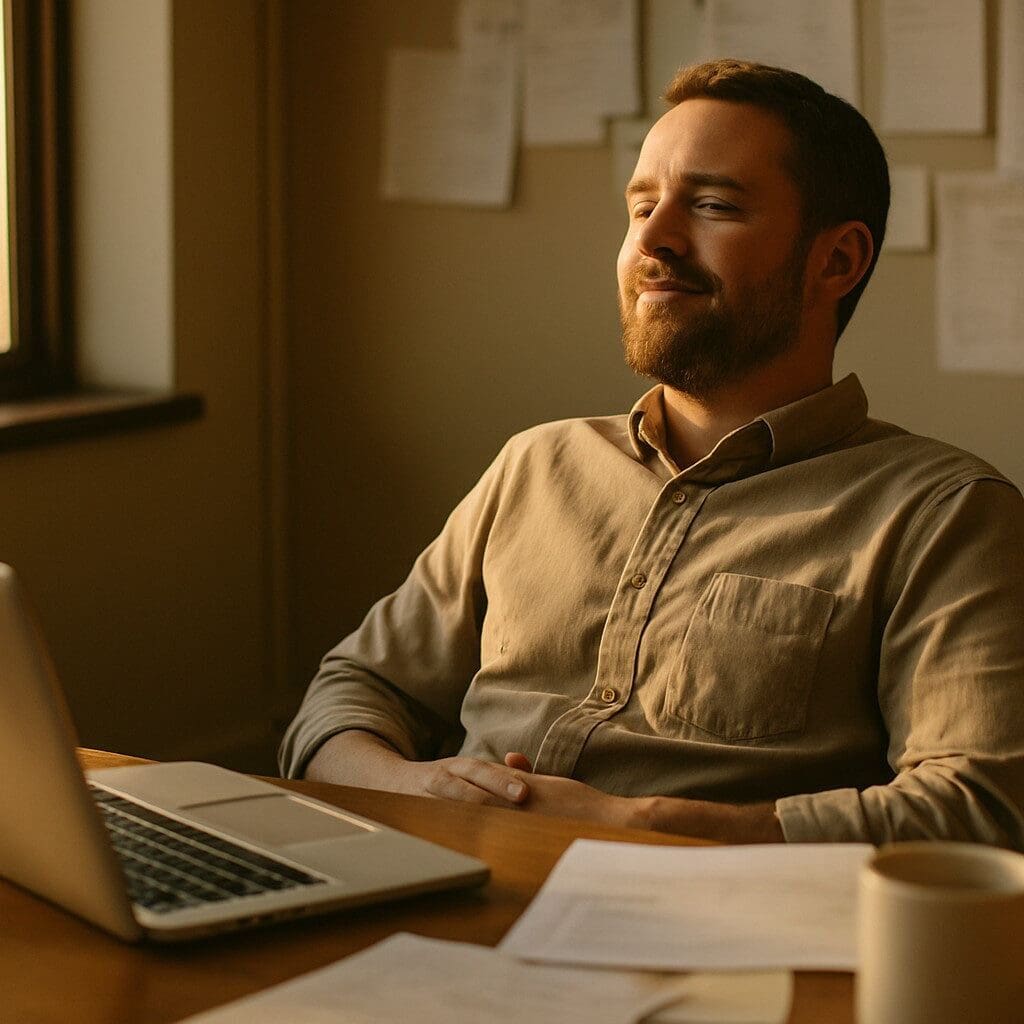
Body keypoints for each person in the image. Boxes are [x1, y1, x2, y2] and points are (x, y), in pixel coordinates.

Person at [280, 60, 1024, 848]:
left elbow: (980, 809)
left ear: (836, 261)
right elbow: (351, 692)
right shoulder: (537, 464)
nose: (655, 240)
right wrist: (417, 788)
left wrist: (641, 825)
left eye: (712, 205)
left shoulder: (945, 514)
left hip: (713, 935)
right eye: (641, 207)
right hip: (444, 889)